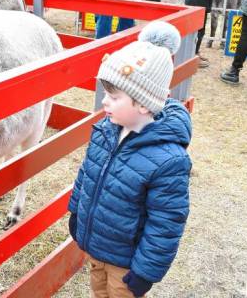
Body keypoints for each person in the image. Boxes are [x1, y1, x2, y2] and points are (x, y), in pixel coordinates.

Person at [68, 21, 192, 298]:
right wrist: (76, 211)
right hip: (97, 245)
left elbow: (167, 221)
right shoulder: (105, 132)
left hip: (127, 263)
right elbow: (86, 174)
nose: (105, 103)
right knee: (98, 290)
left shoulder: (168, 160)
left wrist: (146, 271)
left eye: (113, 97)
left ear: (144, 103)